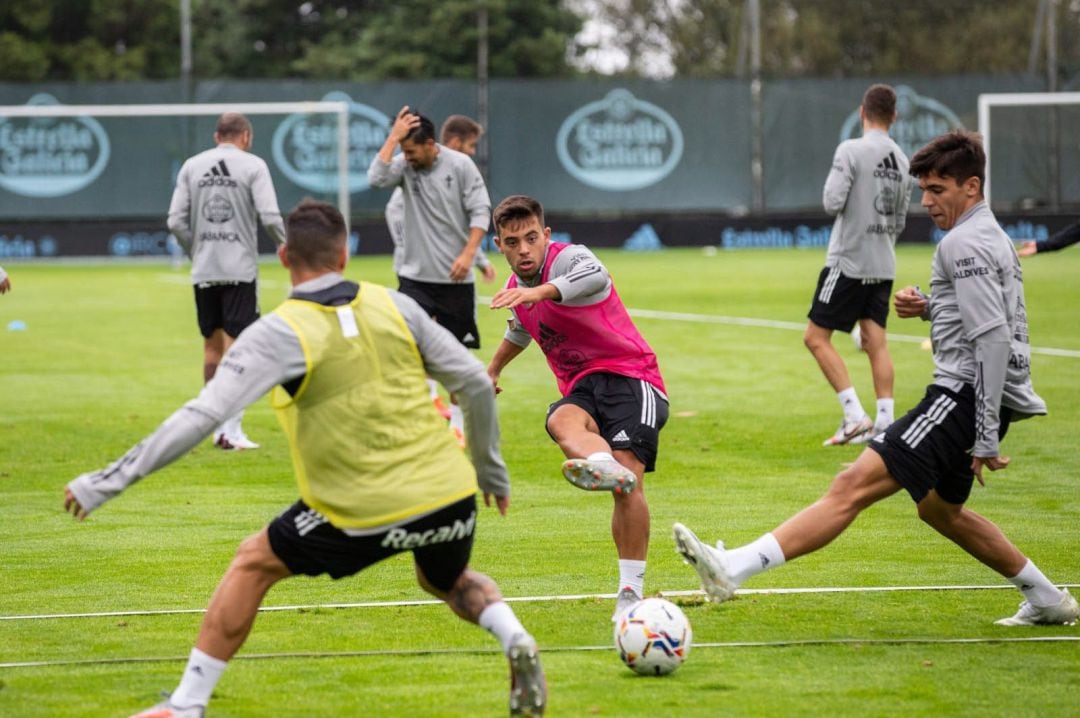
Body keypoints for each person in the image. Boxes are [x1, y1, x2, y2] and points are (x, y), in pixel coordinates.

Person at [65, 199, 546, 718]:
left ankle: (186, 704)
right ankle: (514, 636)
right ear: (344, 255)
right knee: (444, 579)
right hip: (450, 494)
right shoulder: (396, 304)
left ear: (282, 256)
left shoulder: (276, 331)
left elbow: (202, 416)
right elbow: (475, 381)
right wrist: (490, 473)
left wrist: (104, 483)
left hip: (359, 508)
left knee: (253, 562)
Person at [673, 130, 1078, 628]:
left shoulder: (962, 243)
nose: (926, 202)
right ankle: (1045, 597)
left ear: (971, 187)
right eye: (923, 190)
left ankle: (734, 568)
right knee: (939, 511)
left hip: (963, 397)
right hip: (982, 397)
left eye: (938, 190)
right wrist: (935, 308)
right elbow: (989, 316)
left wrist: (985, 434)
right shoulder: (991, 235)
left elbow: (993, 339)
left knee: (851, 484)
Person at [485, 194, 669, 621]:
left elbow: (596, 277)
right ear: (500, 245)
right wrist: (492, 370)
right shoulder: (518, 291)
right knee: (560, 419)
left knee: (630, 483)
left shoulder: (570, 259)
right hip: (584, 386)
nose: (524, 249)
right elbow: (520, 331)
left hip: (633, 378)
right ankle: (603, 463)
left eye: (532, 238)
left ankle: (630, 592)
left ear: (547, 235)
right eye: (513, 242)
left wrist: (538, 292)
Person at [369, 108, 493, 446]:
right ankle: (417, 417)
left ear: (429, 145)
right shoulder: (405, 167)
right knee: (407, 349)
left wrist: (470, 254)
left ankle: (458, 427)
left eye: (410, 151)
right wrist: (394, 138)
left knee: (456, 355)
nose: (405, 158)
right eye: (402, 151)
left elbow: (481, 210)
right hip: (414, 279)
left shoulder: (460, 165)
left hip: (454, 282)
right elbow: (376, 178)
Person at [167, 112, 286, 451]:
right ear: (245, 136)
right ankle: (230, 429)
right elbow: (269, 214)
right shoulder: (254, 165)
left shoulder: (192, 165)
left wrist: (197, 250)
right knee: (239, 348)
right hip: (239, 269)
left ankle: (211, 423)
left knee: (211, 347)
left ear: (216, 136)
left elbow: (175, 220)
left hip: (204, 269)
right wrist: (284, 243)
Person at [808, 84, 914, 446]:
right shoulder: (903, 159)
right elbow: (900, 220)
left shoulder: (850, 149)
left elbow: (831, 200)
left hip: (848, 260)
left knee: (815, 338)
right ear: (894, 116)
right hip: (883, 261)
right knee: (875, 341)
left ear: (861, 112)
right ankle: (886, 422)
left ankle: (854, 415)